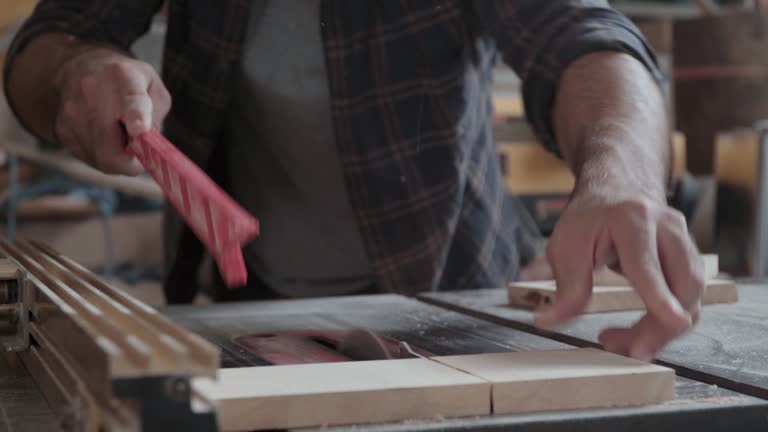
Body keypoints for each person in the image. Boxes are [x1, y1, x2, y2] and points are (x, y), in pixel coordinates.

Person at [2, 0, 704, 361]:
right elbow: (46, 42)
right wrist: (76, 73)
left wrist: (620, 175)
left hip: (451, 301)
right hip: (244, 308)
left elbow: (587, 38)